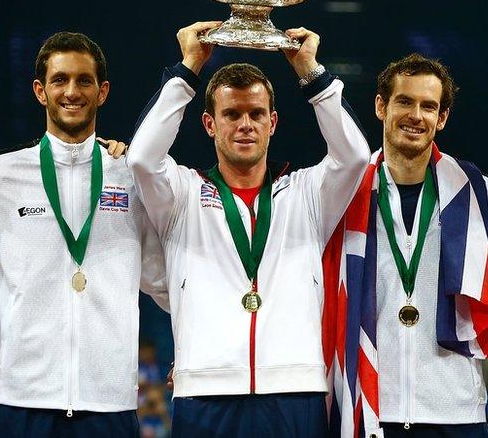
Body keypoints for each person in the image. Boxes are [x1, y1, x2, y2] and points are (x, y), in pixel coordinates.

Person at [126, 21, 370, 437]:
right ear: (208, 123)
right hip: (205, 390)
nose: (245, 124)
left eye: (256, 114)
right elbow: (141, 159)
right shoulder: (182, 194)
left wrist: (311, 73)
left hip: (295, 391)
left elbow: (354, 157)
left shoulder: (307, 193)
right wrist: (188, 69)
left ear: (273, 122)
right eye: (232, 114)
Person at [0, 31, 166, 437]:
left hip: (109, 401)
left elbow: (165, 283)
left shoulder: (131, 176)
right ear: (40, 90)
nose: (72, 91)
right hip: (18, 399)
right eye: (59, 80)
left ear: (102, 91)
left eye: (84, 80)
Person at [326, 54, 488, 437]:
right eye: (405, 102)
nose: (416, 115)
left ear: (442, 118)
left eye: (429, 106)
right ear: (381, 106)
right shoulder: (344, 192)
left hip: (456, 413)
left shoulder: (475, 192)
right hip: (373, 410)